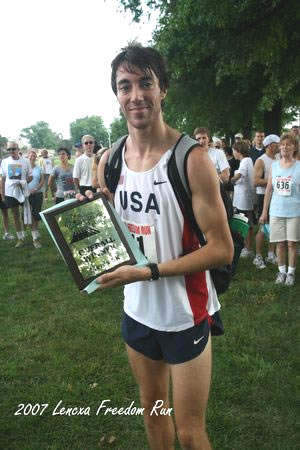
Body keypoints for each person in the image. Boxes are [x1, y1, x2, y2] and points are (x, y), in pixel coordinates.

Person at [81, 43, 234, 450]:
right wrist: (87, 223)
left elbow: (222, 250)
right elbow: (115, 231)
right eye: (125, 85)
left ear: (162, 89)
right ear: (116, 94)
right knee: (153, 412)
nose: (136, 96)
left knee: (189, 432)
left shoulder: (191, 160)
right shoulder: (110, 159)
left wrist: (148, 271)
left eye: (145, 83)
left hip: (185, 312)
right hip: (136, 310)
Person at [260, 133, 300, 286]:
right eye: (283, 144)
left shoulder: (299, 167)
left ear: (294, 147)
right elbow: (269, 190)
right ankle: (281, 271)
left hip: (294, 211)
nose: (285, 147)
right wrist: (264, 211)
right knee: (280, 243)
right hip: (276, 210)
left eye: (288, 144)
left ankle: (291, 272)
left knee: (292, 243)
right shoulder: (274, 166)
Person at [253, 135, 280, 269]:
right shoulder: (261, 160)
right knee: (263, 227)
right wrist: (273, 181)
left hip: (277, 197)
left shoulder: (278, 159)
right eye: (277, 143)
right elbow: (255, 181)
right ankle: (257, 256)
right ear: (270, 145)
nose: (280, 146)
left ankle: (271, 254)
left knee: (274, 226)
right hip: (263, 196)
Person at [0, 141, 32, 247]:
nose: (11, 151)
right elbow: (3, 179)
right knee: (15, 215)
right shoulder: (4, 162)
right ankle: (20, 238)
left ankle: (28, 233)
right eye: (8, 149)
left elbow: (31, 176)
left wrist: (23, 182)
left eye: (13, 149)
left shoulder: (26, 161)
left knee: (25, 214)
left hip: (23, 191)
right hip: (10, 193)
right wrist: (3, 194)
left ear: (18, 150)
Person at [231, 140, 255, 258]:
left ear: (238, 151)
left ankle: (248, 248)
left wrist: (229, 180)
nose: (233, 153)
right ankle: (246, 245)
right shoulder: (246, 161)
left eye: (234, 151)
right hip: (243, 197)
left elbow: (239, 175)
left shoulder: (245, 161)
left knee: (247, 223)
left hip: (244, 198)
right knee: (246, 222)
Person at [27, 150, 44, 248]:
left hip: (38, 193)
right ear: (28, 157)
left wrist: (36, 189)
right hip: (27, 194)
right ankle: (35, 237)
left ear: (36, 157)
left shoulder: (39, 168)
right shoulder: (25, 168)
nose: (32, 157)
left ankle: (36, 231)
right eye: (31, 156)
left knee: (36, 214)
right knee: (30, 214)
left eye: (34, 156)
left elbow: (42, 181)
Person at [0, 159, 14, 240]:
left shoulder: (4, 166)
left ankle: (6, 233)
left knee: (5, 213)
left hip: (3, 194)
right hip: (2, 194)